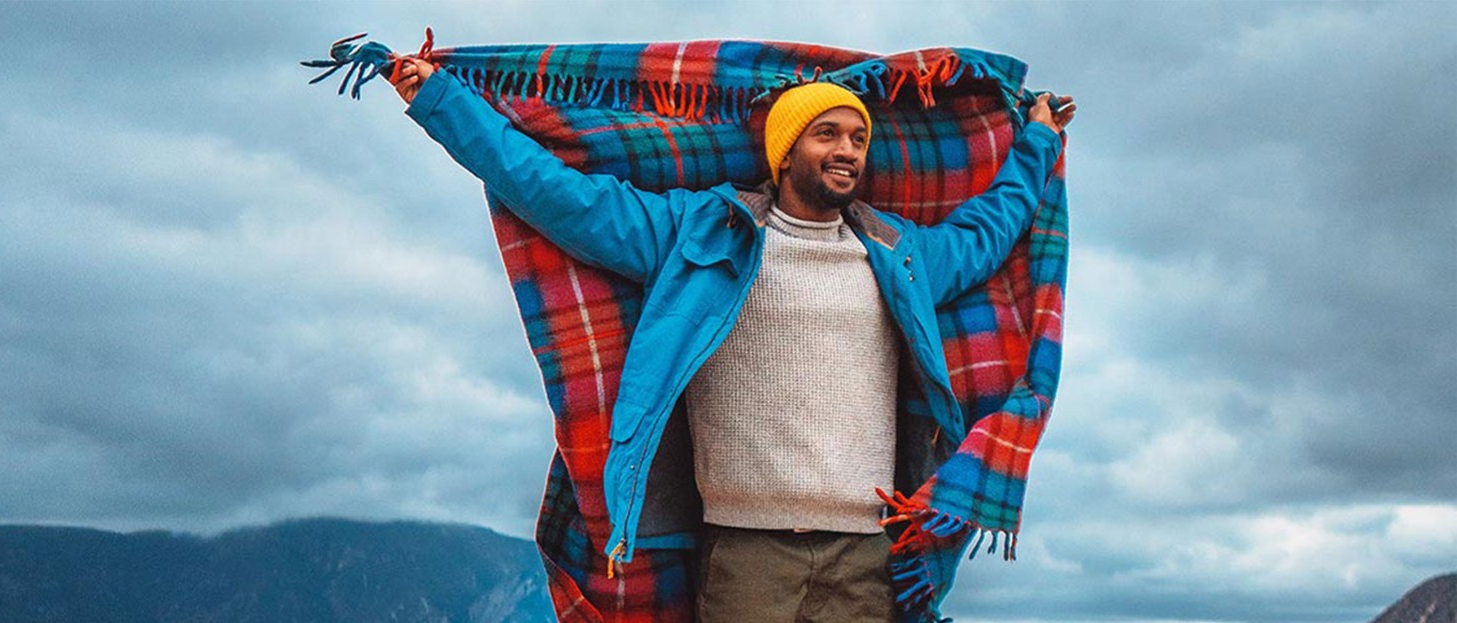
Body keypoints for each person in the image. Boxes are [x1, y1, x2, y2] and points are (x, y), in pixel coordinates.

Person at [386, 54, 1073, 622]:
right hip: (745, 557)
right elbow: (563, 197)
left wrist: (1038, 140)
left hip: (867, 554)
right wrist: (441, 102)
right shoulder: (700, 233)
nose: (846, 152)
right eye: (827, 134)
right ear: (785, 150)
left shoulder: (899, 254)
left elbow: (991, 229)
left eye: (857, 139)